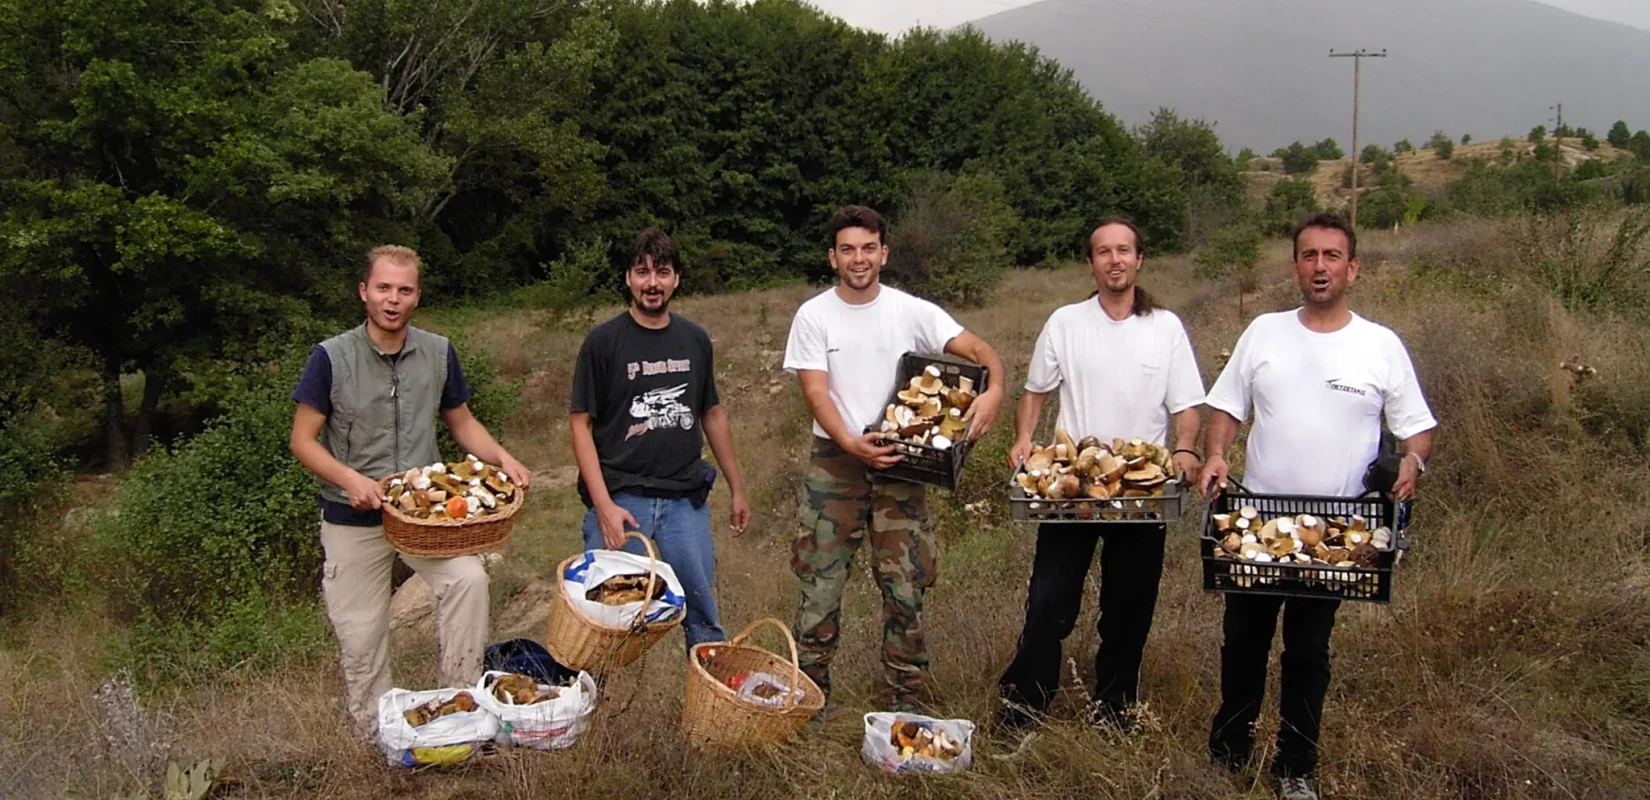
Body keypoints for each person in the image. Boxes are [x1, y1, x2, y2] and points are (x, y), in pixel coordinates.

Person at [1200, 213, 1437, 800]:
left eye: (1333, 256)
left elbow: (1417, 430)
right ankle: (1230, 752)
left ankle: (1296, 765)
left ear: (1352, 269)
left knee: (1308, 649)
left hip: (1337, 529)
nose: (1320, 266)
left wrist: (1412, 464)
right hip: (1257, 520)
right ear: (1295, 268)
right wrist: (1217, 454)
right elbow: (1228, 406)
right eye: (1310, 255)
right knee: (1243, 642)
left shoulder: (1380, 345)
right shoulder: (1264, 332)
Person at [290, 244, 533, 737]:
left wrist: (503, 458)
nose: (392, 299)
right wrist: (350, 479)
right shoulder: (330, 358)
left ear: (417, 297)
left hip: (427, 519)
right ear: (364, 292)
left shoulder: (438, 352)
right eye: (383, 288)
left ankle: (459, 708)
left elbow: (461, 421)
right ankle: (376, 733)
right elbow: (302, 440)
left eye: (403, 290)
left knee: (469, 581)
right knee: (361, 634)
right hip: (351, 516)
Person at [782, 204, 1007, 715]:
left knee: (906, 587)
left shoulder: (912, 311)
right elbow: (816, 393)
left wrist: (994, 387)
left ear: (883, 254)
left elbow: (979, 350)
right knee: (821, 584)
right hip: (835, 465)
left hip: (905, 464)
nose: (858, 259)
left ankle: (907, 700)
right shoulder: (813, 315)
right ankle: (809, 700)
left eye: (868, 248)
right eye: (847, 250)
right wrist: (850, 442)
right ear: (832, 257)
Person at [994, 217, 1206, 732]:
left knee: (1128, 607)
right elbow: (1036, 392)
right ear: (1091, 263)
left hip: (1141, 487)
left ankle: (1114, 708)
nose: (1115, 260)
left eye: (1124, 251)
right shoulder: (1066, 322)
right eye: (1103, 252)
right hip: (1073, 486)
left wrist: (1184, 449)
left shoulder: (1166, 327)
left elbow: (1188, 404)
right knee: (1048, 602)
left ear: (1139, 260)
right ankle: (1026, 702)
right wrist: (1025, 439)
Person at [569, 228, 750, 650]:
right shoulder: (602, 342)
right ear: (628, 279)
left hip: (684, 501)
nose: (653, 283)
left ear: (677, 280)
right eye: (642, 272)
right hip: (621, 501)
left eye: (663, 272)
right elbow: (580, 426)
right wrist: (603, 507)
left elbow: (713, 413)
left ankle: (711, 709)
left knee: (704, 618)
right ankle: (599, 706)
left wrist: (738, 489)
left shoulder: (695, 339)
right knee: (604, 618)